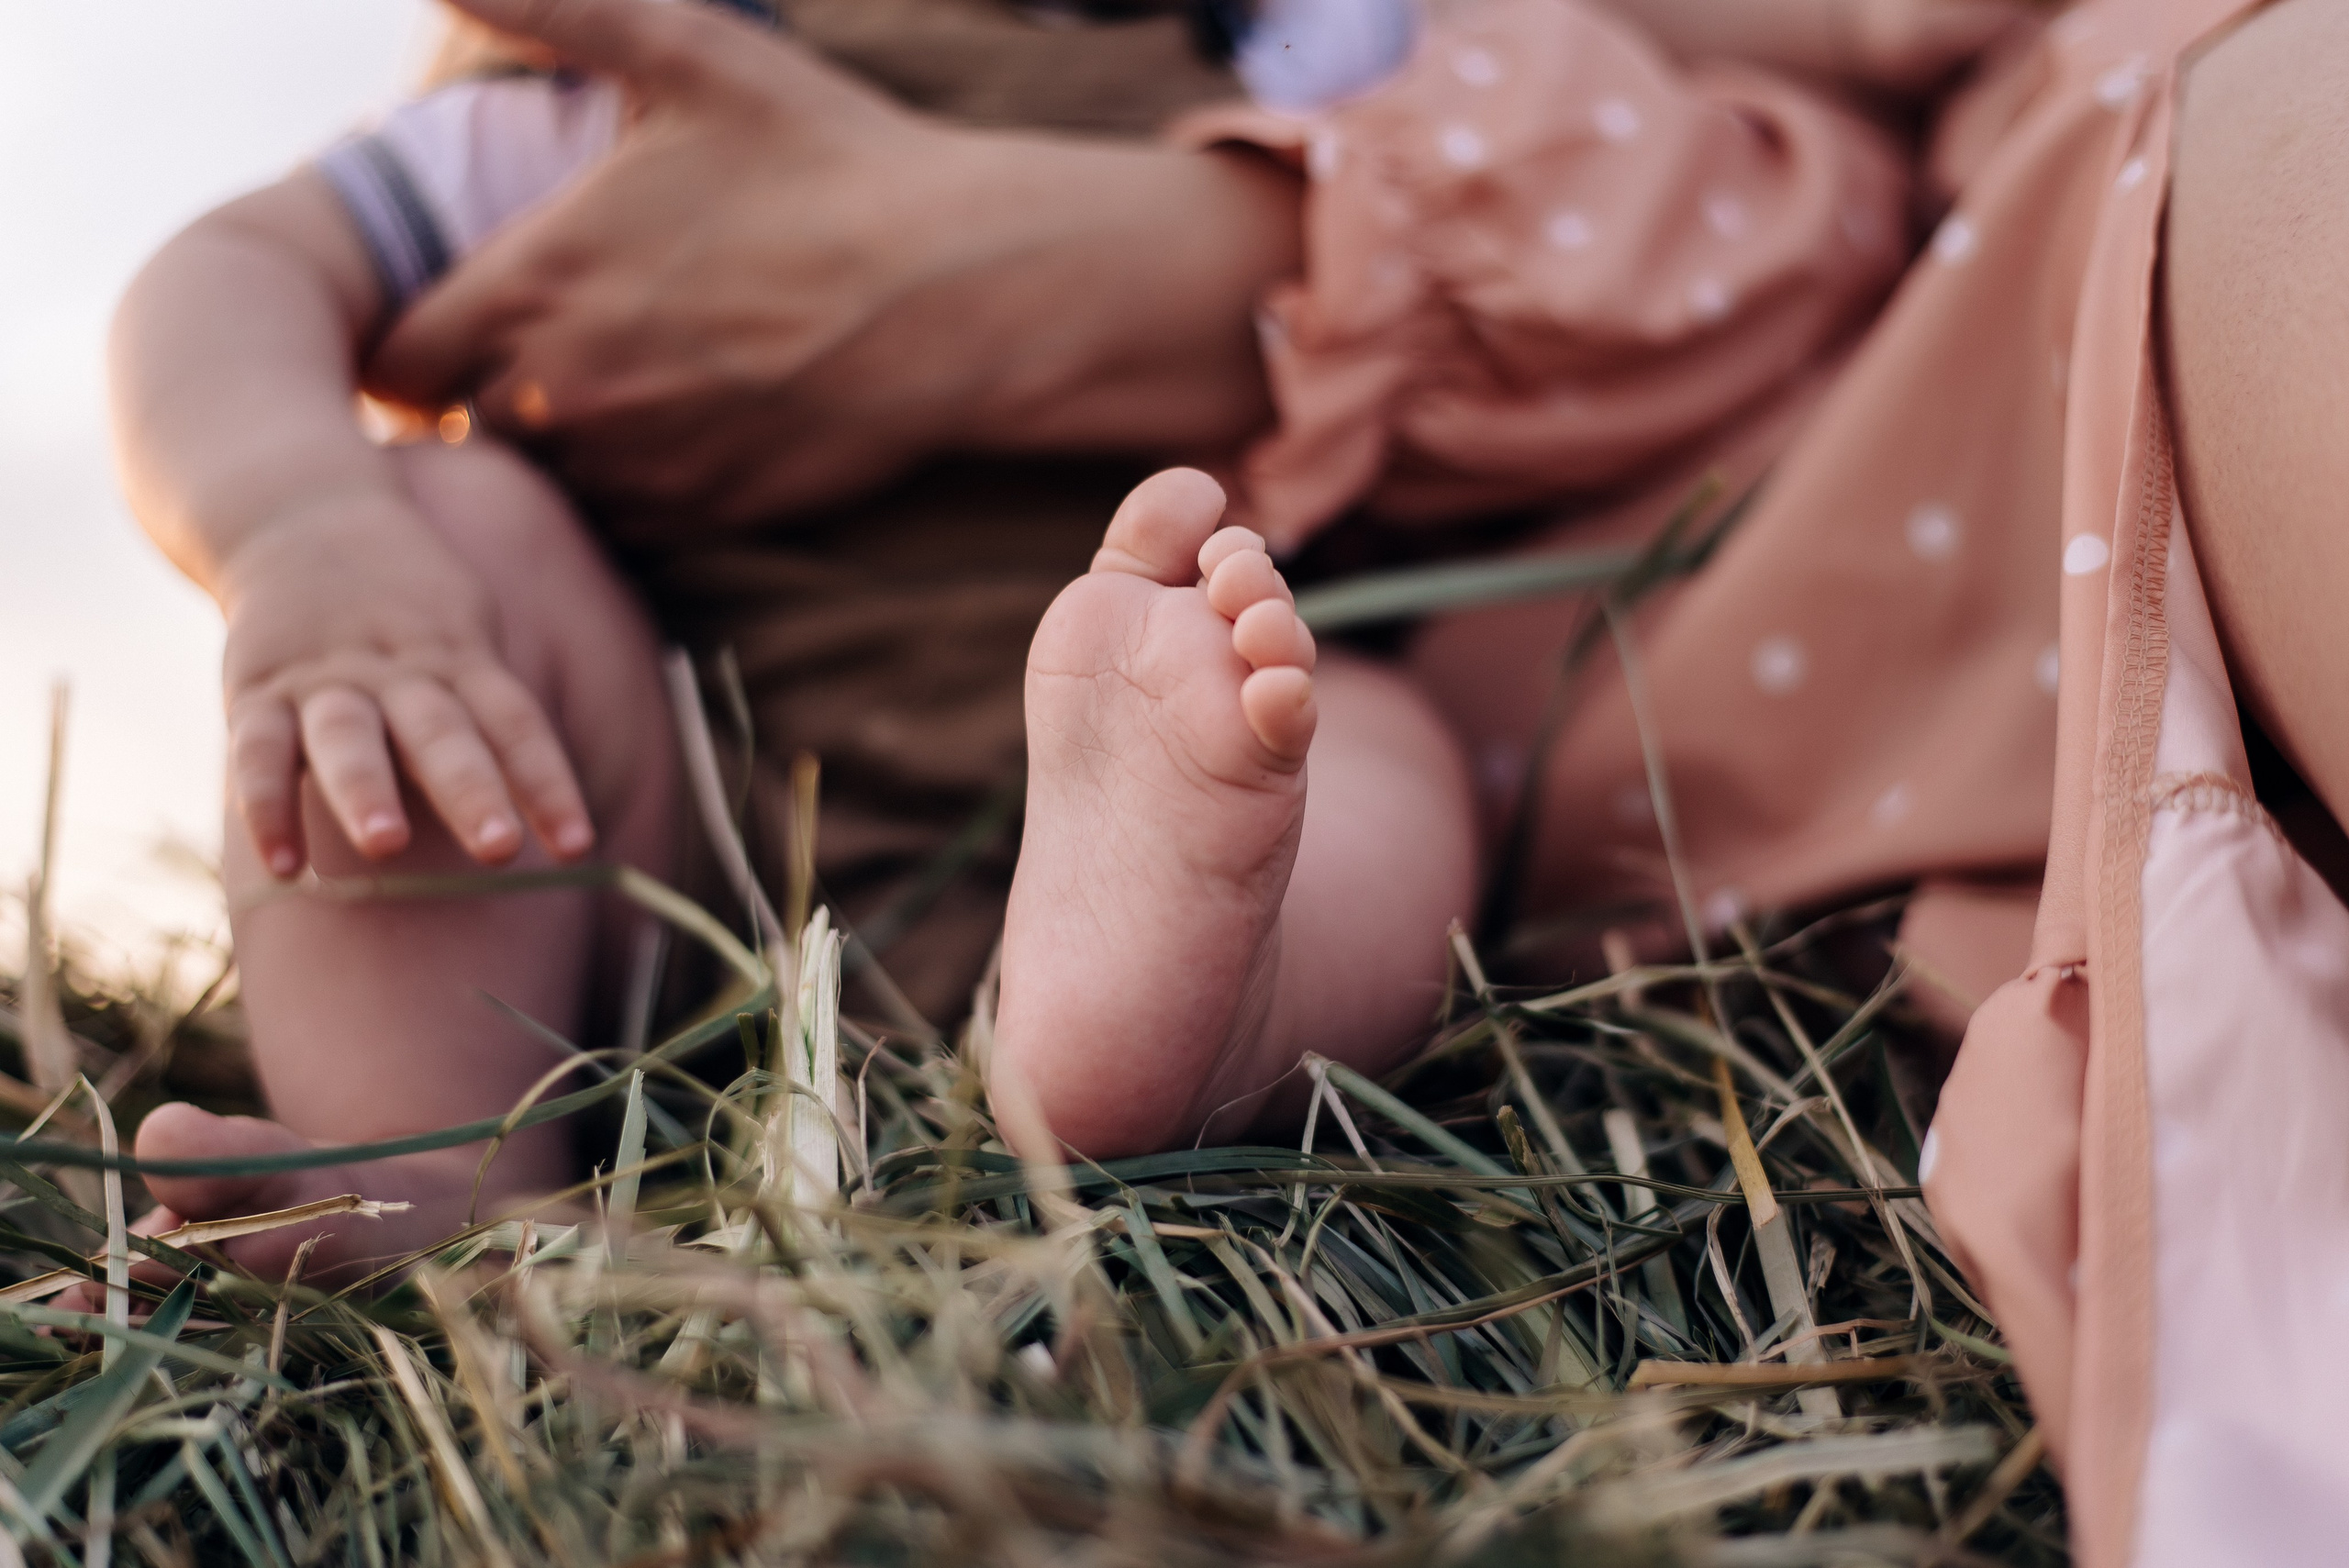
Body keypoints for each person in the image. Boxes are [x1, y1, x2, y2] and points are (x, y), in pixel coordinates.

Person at [106, 0, 2349, 1553]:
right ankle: (423, 1156)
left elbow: (1722, 98)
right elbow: (226, 281)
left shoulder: (1299, 46)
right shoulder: (578, 103)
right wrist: (310, 531)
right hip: (697, 754)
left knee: (1346, 728)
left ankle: (1155, 1012)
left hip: (1151, 655)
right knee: (449, 573)